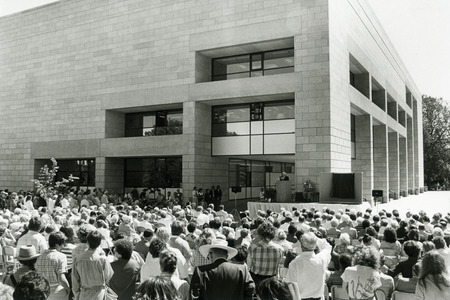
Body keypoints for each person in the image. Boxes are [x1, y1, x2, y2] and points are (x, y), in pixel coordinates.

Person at [190, 238, 255, 300]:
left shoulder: (200, 270)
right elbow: (250, 288)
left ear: (210, 254)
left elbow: (195, 294)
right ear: (227, 256)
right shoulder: (242, 269)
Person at [285, 232, 332, 300]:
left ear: (301, 245)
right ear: (315, 245)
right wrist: (314, 240)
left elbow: (291, 284)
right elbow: (327, 246)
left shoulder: (295, 263)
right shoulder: (322, 259)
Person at [72, 231, 114, 300]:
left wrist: (77, 295)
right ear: (99, 243)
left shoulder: (77, 259)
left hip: (84, 293)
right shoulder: (103, 260)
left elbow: (75, 280)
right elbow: (108, 276)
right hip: (99, 294)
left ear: (87, 242)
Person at [35, 231, 71, 300]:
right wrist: (68, 289)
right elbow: (61, 279)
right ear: (57, 244)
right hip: (57, 291)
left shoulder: (39, 256)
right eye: (62, 243)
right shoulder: (61, 256)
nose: (63, 246)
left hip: (42, 291)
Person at [247, 221, 284, 286]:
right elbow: (280, 265)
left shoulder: (252, 247)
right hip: (272, 279)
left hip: (256, 278)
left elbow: (248, 266)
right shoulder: (280, 249)